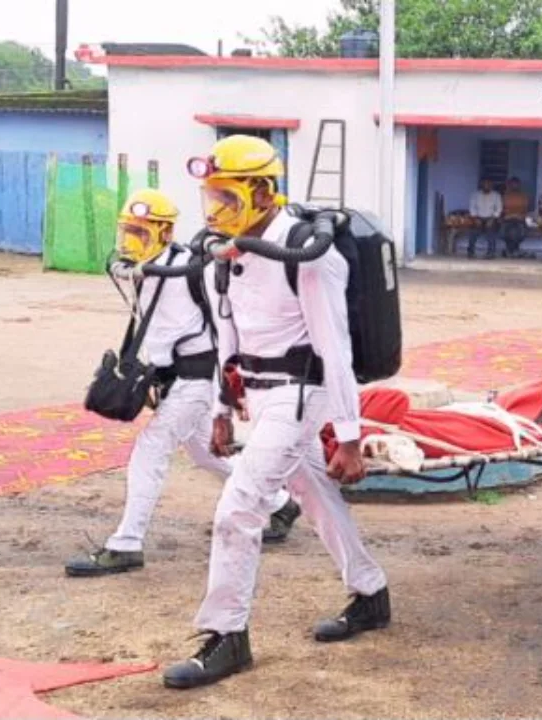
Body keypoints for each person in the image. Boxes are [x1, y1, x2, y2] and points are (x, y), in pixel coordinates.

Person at [163, 135, 389, 689]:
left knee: (237, 509)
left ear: (263, 192)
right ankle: (370, 591)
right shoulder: (229, 252)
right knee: (313, 492)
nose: (215, 210)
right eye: (210, 197)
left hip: (300, 393)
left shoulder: (311, 255)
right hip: (259, 396)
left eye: (227, 197)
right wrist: (221, 408)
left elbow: (335, 348)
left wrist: (351, 436)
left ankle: (227, 635)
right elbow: (227, 337)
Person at [65, 189, 301, 578]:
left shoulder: (193, 269)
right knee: (207, 455)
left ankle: (126, 543)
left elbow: (230, 316)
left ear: (163, 232)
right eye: (126, 233)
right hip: (172, 378)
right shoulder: (144, 272)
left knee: (150, 448)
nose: (129, 244)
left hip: (197, 377)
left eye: (139, 234)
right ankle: (279, 503)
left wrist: (234, 379)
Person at [468, 178, 502, 259]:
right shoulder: (475, 195)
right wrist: (475, 218)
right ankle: (470, 252)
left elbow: (499, 208)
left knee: (491, 233)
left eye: (488, 185)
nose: (486, 186)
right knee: (473, 233)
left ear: (491, 186)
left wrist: (492, 218)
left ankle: (490, 253)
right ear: (481, 185)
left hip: (491, 218)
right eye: (484, 184)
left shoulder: (496, 195)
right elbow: (472, 207)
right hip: (478, 218)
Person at [501, 176, 530, 258]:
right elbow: (502, 209)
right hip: (507, 219)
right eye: (512, 184)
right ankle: (513, 251)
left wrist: (519, 216)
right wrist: (508, 215)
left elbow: (525, 209)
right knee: (504, 233)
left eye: (516, 184)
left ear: (519, 185)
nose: (514, 186)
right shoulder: (505, 196)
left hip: (520, 219)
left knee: (520, 233)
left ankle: (510, 251)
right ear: (509, 185)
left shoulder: (523, 196)